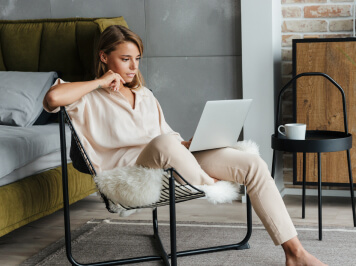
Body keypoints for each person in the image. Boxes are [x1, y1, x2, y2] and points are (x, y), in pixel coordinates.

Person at [43, 25, 326, 266]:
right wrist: (101, 81)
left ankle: (295, 253)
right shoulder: (86, 97)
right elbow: (52, 99)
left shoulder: (144, 96)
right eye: (125, 59)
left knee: (252, 164)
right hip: (135, 171)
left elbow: (167, 135)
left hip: (173, 159)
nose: (133, 67)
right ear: (104, 57)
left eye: (137, 59)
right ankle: (207, 182)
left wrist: (189, 143)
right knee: (166, 143)